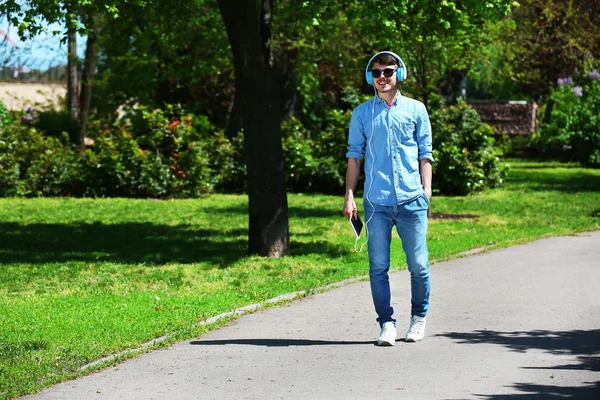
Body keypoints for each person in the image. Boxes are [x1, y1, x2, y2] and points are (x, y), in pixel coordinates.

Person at [342, 51, 433, 346]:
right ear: (371, 77)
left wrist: (426, 192)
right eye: (377, 72)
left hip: (411, 200)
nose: (383, 77)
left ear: (399, 74)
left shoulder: (417, 109)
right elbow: (354, 157)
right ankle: (387, 323)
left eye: (388, 71)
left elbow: (425, 154)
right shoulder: (361, 114)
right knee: (378, 267)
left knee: (418, 265)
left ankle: (418, 318)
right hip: (376, 203)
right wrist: (349, 196)